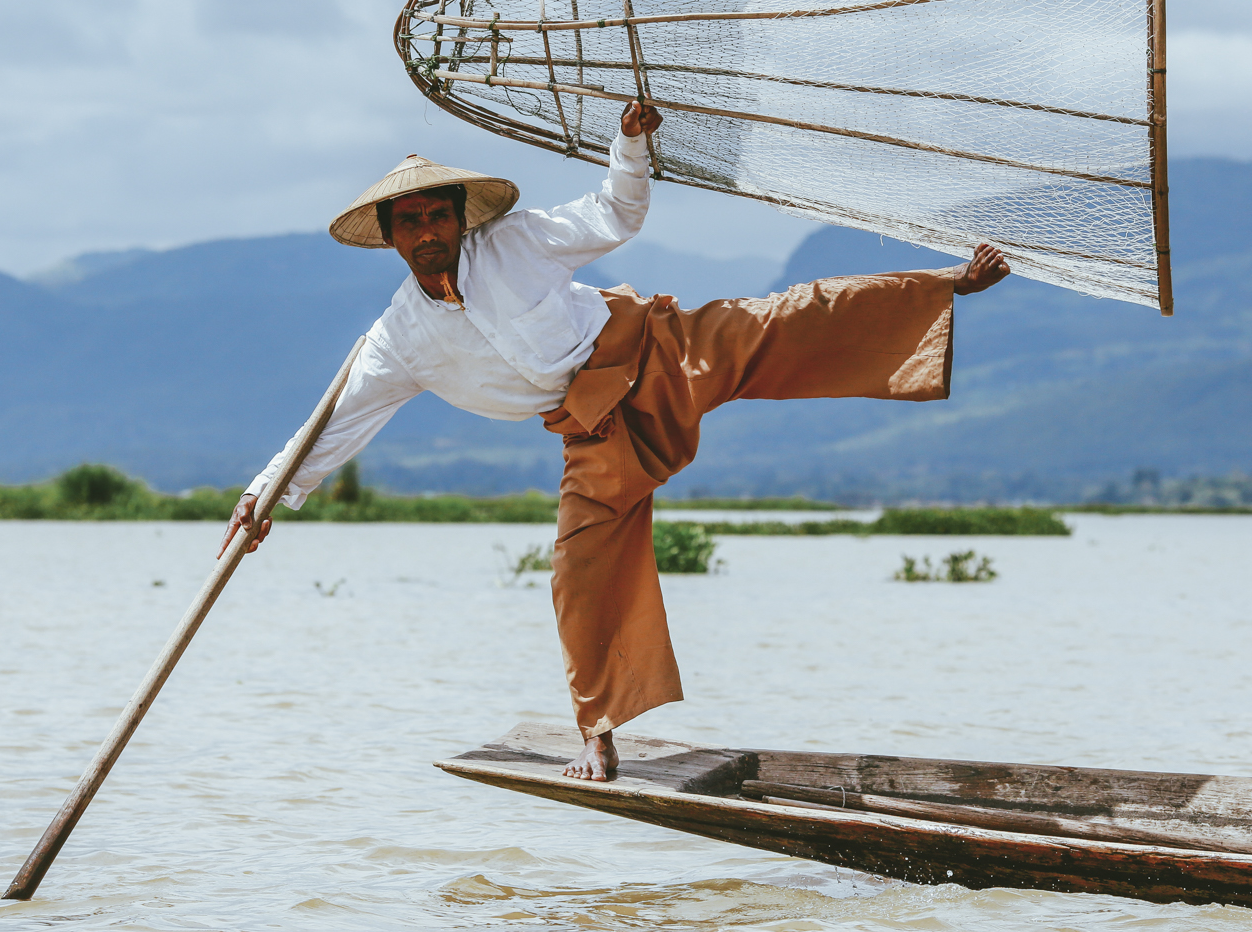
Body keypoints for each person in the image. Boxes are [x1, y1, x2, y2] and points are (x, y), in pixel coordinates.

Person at [221, 102, 1009, 780]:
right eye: (412, 222)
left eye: (438, 215)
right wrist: (263, 496)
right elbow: (332, 427)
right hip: (591, 422)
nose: (428, 231)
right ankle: (598, 733)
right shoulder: (397, 339)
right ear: (392, 238)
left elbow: (614, 213)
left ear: (459, 218)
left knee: (782, 318)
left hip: (649, 347)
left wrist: (630, 145)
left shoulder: (519, 241)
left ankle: (944, 285)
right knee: (578, 566)